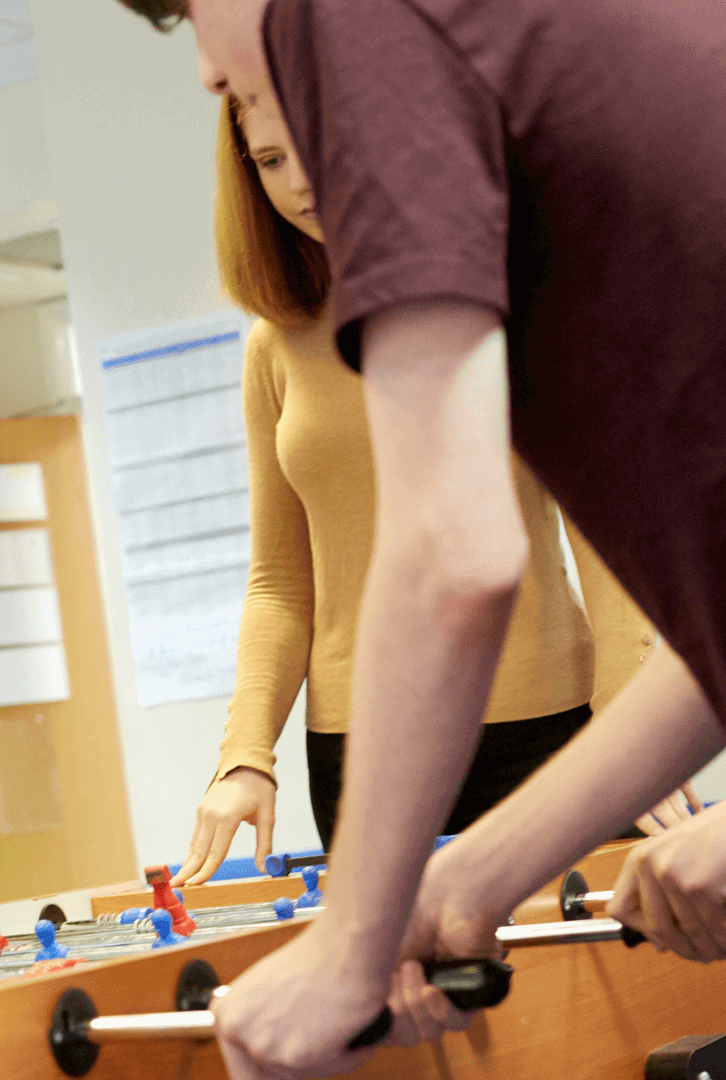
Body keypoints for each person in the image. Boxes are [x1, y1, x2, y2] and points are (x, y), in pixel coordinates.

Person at [109, 0, 726, 1076]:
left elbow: (458, 558)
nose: (210, 71)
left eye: (184, 10)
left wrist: (348, 951)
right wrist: (462, 881)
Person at [176, 93, 694, 884]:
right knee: (410, 1002)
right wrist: (245, 754)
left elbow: (604, 526)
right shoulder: (274, 346)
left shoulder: (514, 291)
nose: (298, 183)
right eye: (270, 161)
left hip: (547, 729)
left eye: (314, 146)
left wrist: (629, 716)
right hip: (358, 752)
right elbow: (281, 582)